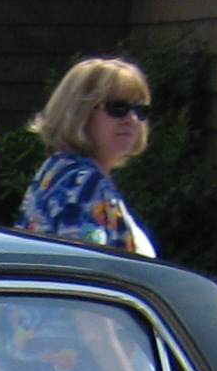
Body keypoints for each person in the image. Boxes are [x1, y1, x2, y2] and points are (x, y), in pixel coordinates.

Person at [15, 57, 155, 257]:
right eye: (117, 107)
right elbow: (86, 275)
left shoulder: (58, 170)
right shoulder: (83, 184)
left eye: (140, 110)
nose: (131, 119)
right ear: (80, 113)